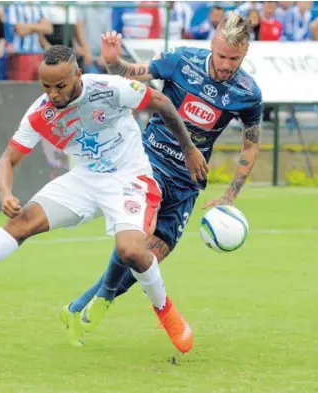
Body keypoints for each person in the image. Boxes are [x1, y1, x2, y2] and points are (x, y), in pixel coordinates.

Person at [0, 45, 208, 353]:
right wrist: (5, 192)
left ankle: (165, 311)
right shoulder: (41, 113)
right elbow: (7, 160)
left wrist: (188, 149)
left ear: (78, 74)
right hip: (85, 179)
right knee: (23, 220)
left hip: (129, 178)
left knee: (131, 250)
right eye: (46, 86)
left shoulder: (108, 88)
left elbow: (160, 101)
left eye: (60, 86)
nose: (53, 94)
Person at [63, 11, 263, 349]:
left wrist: (231, 194)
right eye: (222, 56)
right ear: (212, 45)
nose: (227, 64)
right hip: (149, 161)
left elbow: (251, 142)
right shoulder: (182, 61)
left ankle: (79, 306)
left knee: (148, 261)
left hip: (189, 181)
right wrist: (113, 61)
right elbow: (129, 75)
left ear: (245, 54)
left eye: (235, 58)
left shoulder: (247, 93)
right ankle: (102, 301)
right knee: (138, 237)